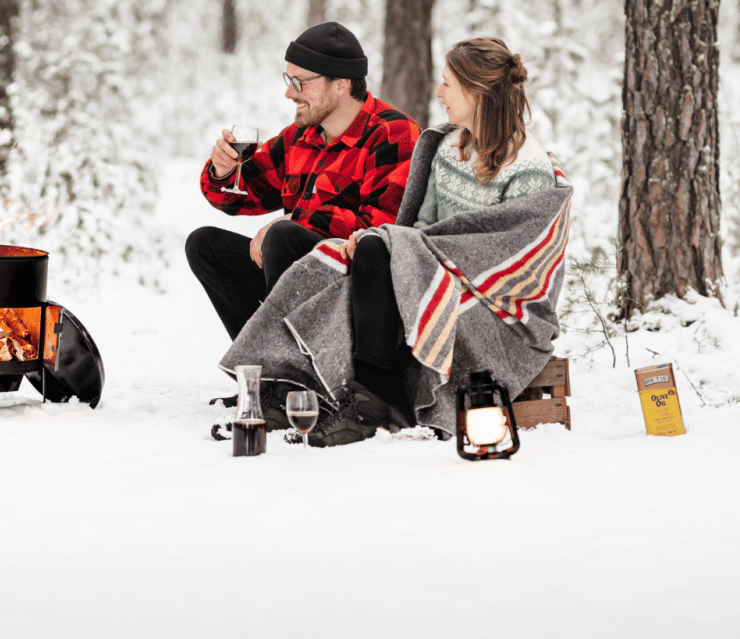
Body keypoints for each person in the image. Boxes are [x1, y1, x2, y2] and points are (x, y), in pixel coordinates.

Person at [219, 37, 573, 446]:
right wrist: (223, 172)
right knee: (363, 249)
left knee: (373, 246)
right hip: (438, 270)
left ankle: (375, 401)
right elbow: (419, 225)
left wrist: (393, 243)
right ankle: (321, 386)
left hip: (491, 296)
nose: (438, 93)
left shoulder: (526, 168)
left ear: (476, 93)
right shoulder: (451, 148)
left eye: (447, 84)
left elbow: (512, 254)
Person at [185, 21, 420, 345]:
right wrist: (223, 171)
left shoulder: (393, 133)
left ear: (339, 84)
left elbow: (381, 231)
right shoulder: (301, 136)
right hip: (295, 278)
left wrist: (295, 221)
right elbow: (239, 198)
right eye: (288, 79)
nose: (288, 92)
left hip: (359, 292)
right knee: (205, 245)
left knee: (283, 235)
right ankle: (261, 372)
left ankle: (295, 377)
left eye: (300, 82)